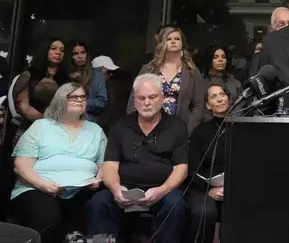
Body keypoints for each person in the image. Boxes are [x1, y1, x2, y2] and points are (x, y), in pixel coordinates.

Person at [86, 73, 189, 243]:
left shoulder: (177, 127)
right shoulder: (120, 126)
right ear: (135, 99)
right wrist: (115, 189)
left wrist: (162, 190)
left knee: (176, 206)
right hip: (125, 189)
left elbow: (181, 169)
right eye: (141, 98)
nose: (146, 103)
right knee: (97, 203)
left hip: (163, 190)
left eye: (152, 97)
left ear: (162, 98)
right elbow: (110, 165)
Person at [10, 83, 105, 243]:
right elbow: (21, 165)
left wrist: (98, 179)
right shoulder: (41, 126)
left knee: (97, 212)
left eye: (83, 97)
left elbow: (105, 164)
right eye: (73, 97)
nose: (79, 100)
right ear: (60, 100)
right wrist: (43, 185)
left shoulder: (96, 130)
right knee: (49, 218)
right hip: (37, 188)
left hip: (81, 190)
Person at [127, 26, 204, 134]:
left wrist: (187, 130)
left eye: (177, 39)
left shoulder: (192, 71)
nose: (173, 41)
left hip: (179, 130)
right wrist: (137, 128)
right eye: (168, 39)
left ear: (182, 44)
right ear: (162, 43)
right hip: (147, 129)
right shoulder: (149, 69)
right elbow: (133, 101)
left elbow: (198, 105)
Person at [185, 84, 230, 243]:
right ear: (207, 105)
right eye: (213, 96)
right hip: (203, 188)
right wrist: (210, 191)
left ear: (228, 98)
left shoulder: (241, 128)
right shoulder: (200, 132)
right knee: (204, 212)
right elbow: (193, 169)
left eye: (222, 94)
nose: (219, 99)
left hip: (235, 188)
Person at [11, 38, 69, 144]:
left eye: (62, 50)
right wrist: (46, 122)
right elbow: (23, 106)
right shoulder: (29, 76)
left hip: (60, 133)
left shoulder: (66, 79)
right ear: (44, 50)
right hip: (31, 130)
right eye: (53, 48)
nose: (58, 52)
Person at [68, 41, 107, 123]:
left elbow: (101, 102)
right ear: (70, 56)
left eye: (83, 52)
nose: (80, 56)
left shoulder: (97, 75)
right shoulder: (66, 75)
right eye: (75, 53)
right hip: (66, 121)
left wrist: (80, 102)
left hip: (88, 122)